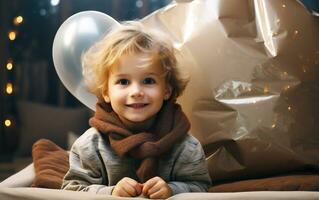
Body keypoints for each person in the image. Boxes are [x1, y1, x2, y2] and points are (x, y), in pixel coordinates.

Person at [61, 21, 212, 199]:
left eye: (148, 81)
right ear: (106, 92)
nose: (136, 92)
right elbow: (71, 189)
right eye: (123, 82)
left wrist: (173, 189)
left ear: (167, 90)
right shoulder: (90, 146)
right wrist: (110, 193)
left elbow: (200, 186)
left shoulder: (185, 146)